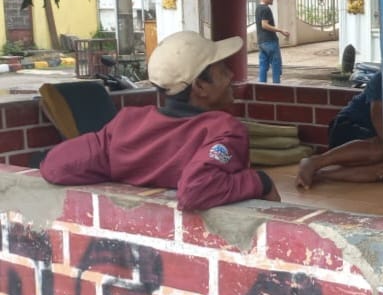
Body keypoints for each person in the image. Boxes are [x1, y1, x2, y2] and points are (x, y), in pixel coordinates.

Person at [40, 31, 282, 211]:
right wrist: (261, 181)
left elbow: (55, 165)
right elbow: (195, 190)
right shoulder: (224, 130)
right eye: (222, 69)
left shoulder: (128, 123)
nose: (231, 75)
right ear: (200, 86)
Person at [295, 71, 383, 188]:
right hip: (347, 128)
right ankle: (314, 162)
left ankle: (322, 175)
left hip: (371, 138)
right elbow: (378, 117)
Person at [256, 0, 289, 83]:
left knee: (263, 66)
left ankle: (261, 87)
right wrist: (281, 30)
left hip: (261, 42)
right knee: (276, 67)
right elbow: (264, 25)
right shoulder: (266, 9)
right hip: (270, 41)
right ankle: (276, 87)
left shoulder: (258, 8)